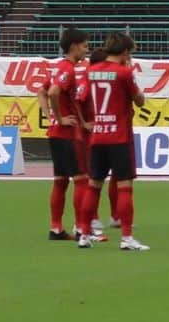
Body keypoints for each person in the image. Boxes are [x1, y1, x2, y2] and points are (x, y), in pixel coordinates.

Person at [75, 32, 150, 251]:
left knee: (93, 186)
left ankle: (84, 234)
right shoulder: (124, 73)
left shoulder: (90, 71)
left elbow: (79, 98)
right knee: (125, 186)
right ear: (126, 52)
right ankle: (126, 238)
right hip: (119, 135)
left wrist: (86, 122)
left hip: (98, 134)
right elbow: (140, 101)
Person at [40, 27, 89, 240]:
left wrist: (50, 116)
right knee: (81, 180)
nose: (86, 50)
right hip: (68, 133)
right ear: (74, 46)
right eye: (84, 46)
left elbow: (41, 91)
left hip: (56, 133)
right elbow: (52, 92)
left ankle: (56, 228)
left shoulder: (58, 68)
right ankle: (80, 228)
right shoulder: (68, 70)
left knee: (60, 181)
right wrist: (59, 118)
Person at [74, 47, 120, 239]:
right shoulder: (88, 79)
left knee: (116, 174)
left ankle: (116, 215)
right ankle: (91, 218)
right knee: (93, 178)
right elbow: (77, 99)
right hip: (91, 136)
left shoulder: (111, 78)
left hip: (109, 132)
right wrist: (84, 123)